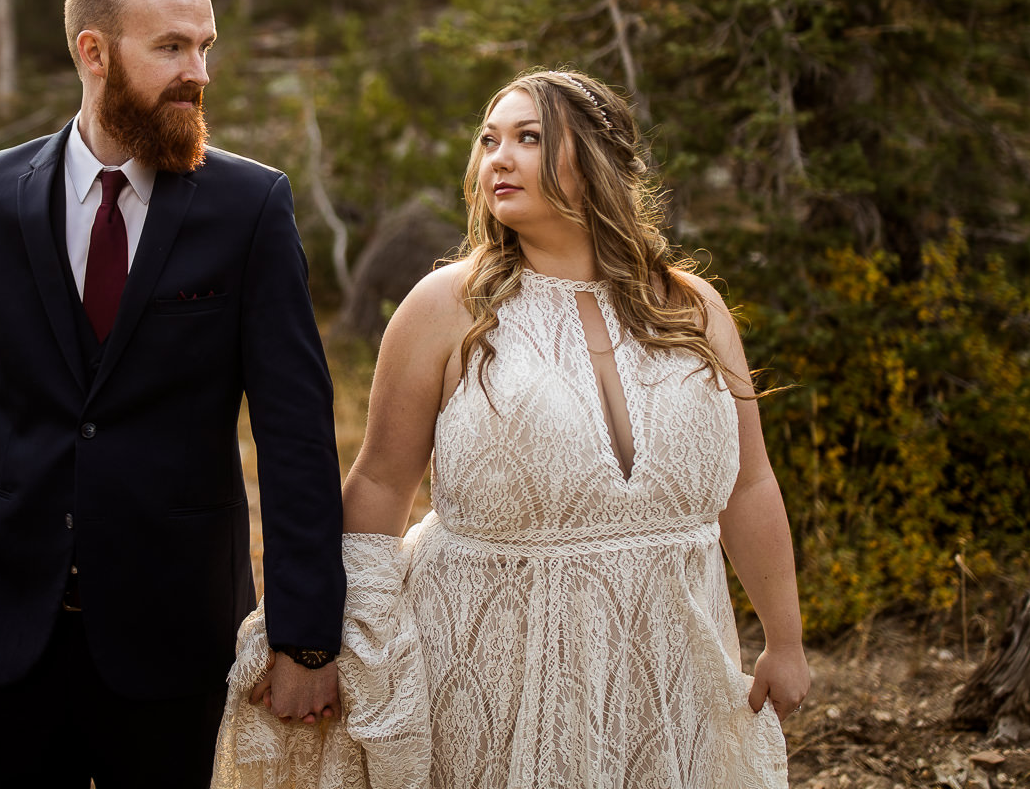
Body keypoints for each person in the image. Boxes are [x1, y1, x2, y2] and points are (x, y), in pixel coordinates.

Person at [216, 69, 809, 788]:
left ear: (598, 161)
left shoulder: (693, 307)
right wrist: (346, 643)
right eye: (490, 140)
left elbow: (748, 482)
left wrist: (785, 639)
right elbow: (378, 482)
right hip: (494, 661)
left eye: (529, 138)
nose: (499, 157)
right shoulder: (445, 306)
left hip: (669, 654)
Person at [0, 0, 346, 789]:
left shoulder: (249, 207)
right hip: (4, 629)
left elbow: (296, 436)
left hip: (177, 636)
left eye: (206, 48)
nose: (198, 73)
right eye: (172, 48)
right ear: (93, 52)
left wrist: (306, 637)